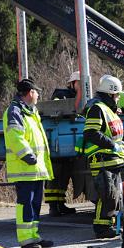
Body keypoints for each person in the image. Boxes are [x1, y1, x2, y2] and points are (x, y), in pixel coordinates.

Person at [3, 78, 54, 248]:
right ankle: (25, 240)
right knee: (26, 204)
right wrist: (27, 155)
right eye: (36, 92)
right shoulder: (15, 111)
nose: (38, 95)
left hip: (35, 169)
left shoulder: (30, 111)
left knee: (35, 204)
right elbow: (14, 136)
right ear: (30, 93)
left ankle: (34, 236)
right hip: (25, 167)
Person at [78, 74, 124, 239]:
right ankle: (101, 228)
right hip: (101, 159)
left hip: (113, 160)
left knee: (114, 195)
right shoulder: (97, 109)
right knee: (107, 194)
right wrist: (111, 145)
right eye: (116, 95)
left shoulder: (110, 110)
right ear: (109, 94)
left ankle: (109, 225)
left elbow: (117, 138)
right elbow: (91, 133)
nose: (117, 98)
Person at [44, 71, 80, 217]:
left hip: (68, 142)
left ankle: (60, 203)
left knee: (64, 175)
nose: (80, 85)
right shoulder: (61, 93)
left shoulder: (83, 97)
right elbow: (57, 107)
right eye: (78, 82)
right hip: (57, 141)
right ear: (71, 83)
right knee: (55, 175)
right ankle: (53, 206)